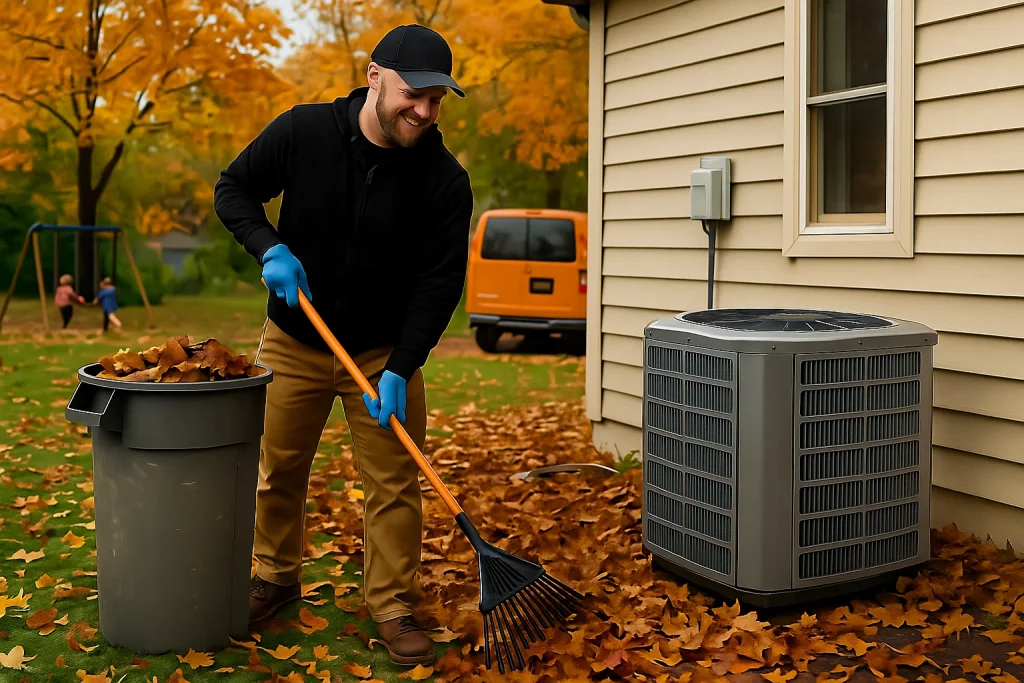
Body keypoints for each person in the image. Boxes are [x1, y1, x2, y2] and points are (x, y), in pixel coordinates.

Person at [213, 24, 473, 667]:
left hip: (383, 353)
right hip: (295, 340)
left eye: (436, 101)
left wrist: (402, 366)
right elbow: (232, 190)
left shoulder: (443, 179)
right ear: (375, 76)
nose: (424, 111)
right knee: (278, 468)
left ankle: (391, 604)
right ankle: (273, 576)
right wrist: (267, 246)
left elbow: (440, 285)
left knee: (393, 484)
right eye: (414, 94)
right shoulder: (303, 132)